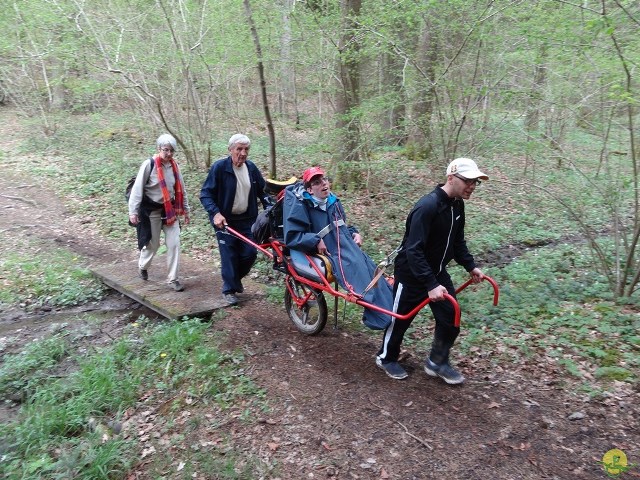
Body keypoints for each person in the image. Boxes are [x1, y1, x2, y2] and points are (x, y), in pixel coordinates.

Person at [376, 157, 488, 383]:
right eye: (468, 181)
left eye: (476, 182)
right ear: (451, 178)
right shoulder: (427, 206)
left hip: (437, 273)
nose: (472, 186)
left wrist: (471, 266)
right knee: (400, 320)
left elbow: (457, 242)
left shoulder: (457, 206)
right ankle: (386, 357)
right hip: (411, 274)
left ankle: (437, 361)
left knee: (450, 317)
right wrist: (430, 284)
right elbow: (413, 250)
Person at [283, 166, 393, 330]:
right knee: (355, 269)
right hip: (330, 251)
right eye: (317, 183)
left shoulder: (332, 202)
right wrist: (315, 240)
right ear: (310, 190)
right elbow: (292, 237)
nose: (324, 185)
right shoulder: (302, 206)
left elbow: (341, 226)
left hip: (345, 244)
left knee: (368, 265)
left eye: (324, 180)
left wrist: (354, 233)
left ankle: (390, 301)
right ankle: (380, 314)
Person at [200, 134, 269, 305]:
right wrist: (215, 213)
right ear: (230, 149)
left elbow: (263, 191)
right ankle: (229, 290)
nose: (243, 153)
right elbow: (205, 194)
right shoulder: (219, 168)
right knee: (229, 254)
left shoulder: (251, 168)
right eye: (239, 149)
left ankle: (233, 280)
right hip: (225, 221)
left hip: (248, 220)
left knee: (250, 253)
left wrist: (270, 207)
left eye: (246, 149)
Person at [128, 134, 190, 292]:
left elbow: (181, 188)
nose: (169, 154)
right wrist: (133, 211)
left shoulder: (174, 167)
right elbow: (137, 189)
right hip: (151, 211)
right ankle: (143, 266)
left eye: (171, 151)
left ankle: (173, 279)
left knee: (174, 244)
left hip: (170, 211)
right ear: (159, 149)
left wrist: (186, 210)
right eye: (166, 150)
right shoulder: (149, 165)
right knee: (153, 244)